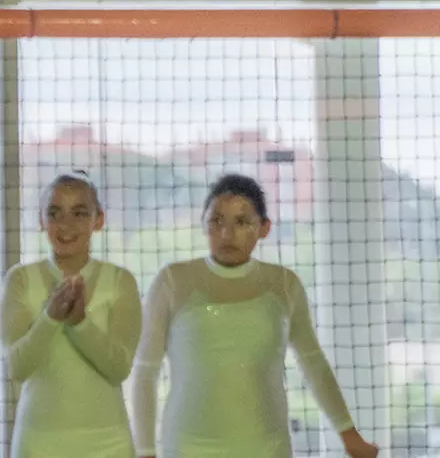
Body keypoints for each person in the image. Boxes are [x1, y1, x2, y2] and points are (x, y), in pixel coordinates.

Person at [130, 173, 380, 458]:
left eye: (242, 222)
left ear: (264, 228)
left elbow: (312, 363)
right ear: (204, 225)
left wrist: (348, 433)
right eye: (217, 221)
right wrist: (146, 450)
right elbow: (146, 370)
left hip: (267, 447)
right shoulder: (172, 280)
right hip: (189, 447)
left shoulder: (284, 284)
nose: (227, 233)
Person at [0, 170, 139, 458]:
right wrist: (50, 317)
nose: (66, 225)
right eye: (55, 213)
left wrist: (79, 323)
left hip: (108, 445)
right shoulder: (20, 279)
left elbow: (119, 368)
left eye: (79, 213)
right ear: (41, 220)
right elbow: (17, 367)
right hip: (37, 443)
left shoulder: (121, 281)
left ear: (98, 220)